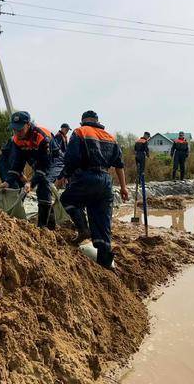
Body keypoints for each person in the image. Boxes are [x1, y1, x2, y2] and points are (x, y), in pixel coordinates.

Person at [59, 110, 129, 269]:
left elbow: (71, 158)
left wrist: (65, 175)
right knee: (102, 221)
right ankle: (106, 263)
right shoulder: (110, 137)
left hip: (86, 176)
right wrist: (124, 187)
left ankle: (83, 229)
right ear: (97, 121)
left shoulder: (79, 132)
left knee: (67, 200)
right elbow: (119, 165)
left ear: (82, 121)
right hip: (106, 182)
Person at [0, 111, 57, 228]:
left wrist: (31, 183)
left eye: (20, 129)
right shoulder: (16, 139)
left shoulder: (41, 137)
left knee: (43, 184)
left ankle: (43, 227)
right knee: (40, 182)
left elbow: (45, 165)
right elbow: (17, 164)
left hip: (54, 160)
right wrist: (7, 181)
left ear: (28, 125)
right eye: (14, 129)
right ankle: (51, 224)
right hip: (37, 160)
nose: (17, 132)